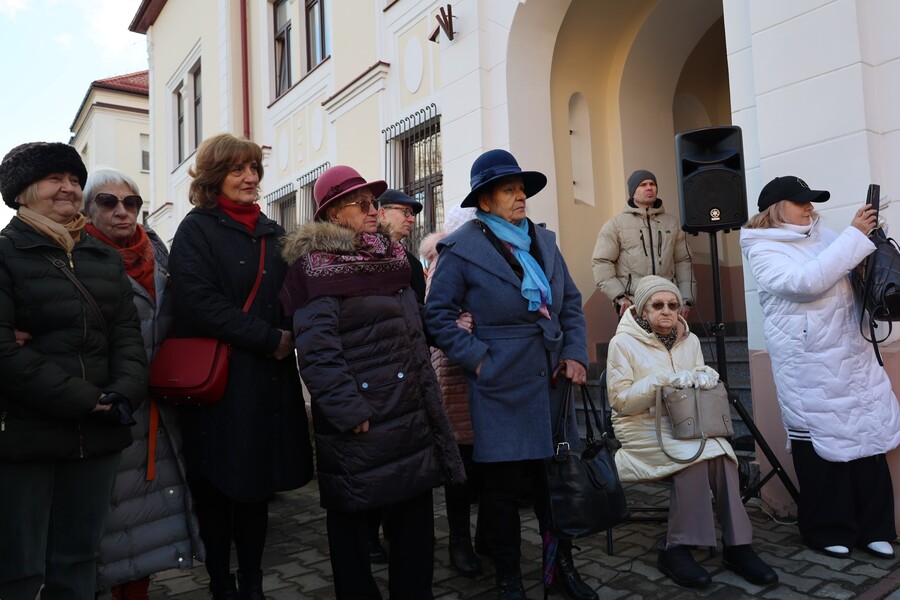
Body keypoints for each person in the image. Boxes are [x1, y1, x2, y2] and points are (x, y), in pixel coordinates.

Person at [280, 164, 465, 600]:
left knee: (414, 519)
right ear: (333, 213)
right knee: (353, 520)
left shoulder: (391, 258)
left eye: (374, 202)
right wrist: (347, 409)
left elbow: (411, 325)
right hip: (361, 417)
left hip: (407, 408)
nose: (372, 209)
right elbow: (317, 347)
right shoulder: (317, 266)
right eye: (361, 203)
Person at [425, 149, 598, 600]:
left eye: (521, 188)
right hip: (500, 385)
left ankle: (560, 569)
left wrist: (577, 353)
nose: (520, 195)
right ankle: (509, 578)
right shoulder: (460, 249)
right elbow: (438, 316)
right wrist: (480, 359)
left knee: (553, 486)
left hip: (553, 382)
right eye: (509, 189)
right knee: (501, 491)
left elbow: (571, 304)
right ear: (485, 201)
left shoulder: (545, 242)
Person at [168, 133, 314, 600]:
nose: (250, 178)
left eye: (254, 169)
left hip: (269, 382)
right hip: (221, 382)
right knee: (216, 488)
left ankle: (252, 581)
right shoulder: (196, 229)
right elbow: (197, 302)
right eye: (238, 170)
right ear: (214, 178)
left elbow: (292, 294)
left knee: (257, 487)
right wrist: (268, 337)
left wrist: (295, 325)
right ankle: (219, 582)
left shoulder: (273, 231)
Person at [0, 142, 148, 599]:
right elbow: (4, 352)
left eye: (74, 179)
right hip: (27, 436)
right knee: (19, 568)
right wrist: (87, 398)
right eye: (54, 179)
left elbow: (127, 335)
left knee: (79, 558)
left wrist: (124, 391)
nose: (68, 188)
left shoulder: (101, 257)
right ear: (23, 191)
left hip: (99, 432)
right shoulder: (5, 254)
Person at [740, 175, 900, 559]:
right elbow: (804, 282)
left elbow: (847, 268)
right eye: (801, 202)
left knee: (868, 439)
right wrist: (853, 237)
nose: (810, 208)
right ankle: (827, 529)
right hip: (808, 364)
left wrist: (871, 242)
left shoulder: (826, 236)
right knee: (823, 450)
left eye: (812, 201)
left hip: (853, 355)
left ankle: (875, 528)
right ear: (778, 209)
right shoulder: (762, 248)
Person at [605, 275, 778, 588]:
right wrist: (660, 381)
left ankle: (738, 546)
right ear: (643, 310)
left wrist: (703, 377)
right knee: (695, 458)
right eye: (657, 305)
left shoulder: (691, 340)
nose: (667, 312)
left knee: (723, 455)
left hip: (687, 422)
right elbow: (620, 402)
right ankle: (677, 547)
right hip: (642, 425)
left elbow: (696, 387)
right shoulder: (622, 343)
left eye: (673, 305)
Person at [82, 168, 204, 599]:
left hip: (162, 411)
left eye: (131, 203)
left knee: (149, 521)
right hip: (109, 410)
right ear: (87, 209)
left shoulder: (157, 253)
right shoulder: (75, 260)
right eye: (108, 202)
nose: (122, 211)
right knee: (110, 529)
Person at [420, 205, 483, 578]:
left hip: (489, 370)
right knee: (461, 464)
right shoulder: (445, 260)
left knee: (489, 465)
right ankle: (459, 541)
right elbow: (437, 315)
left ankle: (487, 536)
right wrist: (472, 323)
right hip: (456, 371)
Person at [592, 169, 695, 318]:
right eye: (643, 184)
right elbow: (601, 261)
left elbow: (683, 261)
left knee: (670, 341)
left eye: (652, 184)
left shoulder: (672, 223)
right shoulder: (615, 225)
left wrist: (686, 300)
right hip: (633, 304)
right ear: (633, 191)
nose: (649, 188)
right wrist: (619, 297)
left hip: (667, 303)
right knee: (636, 342)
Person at [378, 188, 426, 300]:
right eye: (406, 212)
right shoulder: (365, 255)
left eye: (412, 214)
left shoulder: (415, 265)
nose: (412, 219)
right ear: (382, 214)